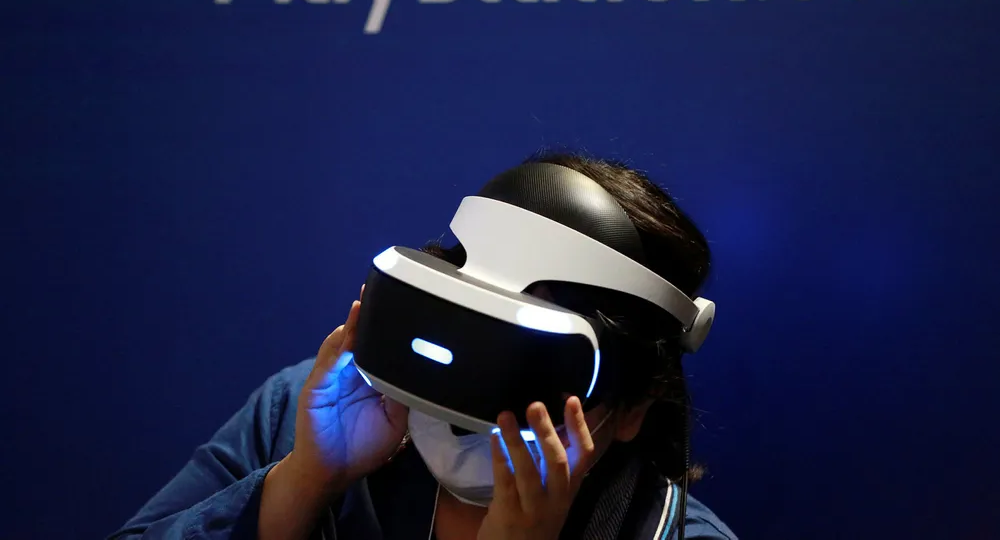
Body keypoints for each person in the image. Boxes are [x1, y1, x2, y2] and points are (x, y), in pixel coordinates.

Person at [109, 152, 738, 540]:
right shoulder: (309, 411)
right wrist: (302, 482)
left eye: (530, 368)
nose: (472, 406)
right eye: (466, 325)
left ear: (631, 407)